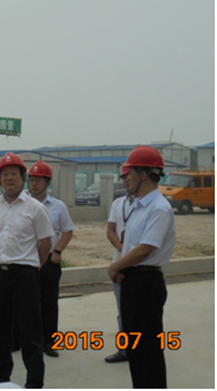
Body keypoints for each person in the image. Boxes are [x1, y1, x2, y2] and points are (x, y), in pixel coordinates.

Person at [0, 153, 54, 388]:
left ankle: (34, 382)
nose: (9, 178)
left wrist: (32, 266)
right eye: (5, 174)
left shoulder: (36, 208)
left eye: (14, 174)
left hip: (25, 276)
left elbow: (46, 243)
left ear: (23, 179)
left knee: (30, 332)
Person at [108, 146, 175, 388]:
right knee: (136, 351)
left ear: (144, 174)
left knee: (148, 351)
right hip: (134, 281)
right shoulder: (139, 206)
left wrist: (115, 266)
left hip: (146, 284)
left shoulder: (158, 207)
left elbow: (146, 247)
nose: (126, 178)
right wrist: (123, 269)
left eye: (130, 173)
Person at [11, 161, 74, 358]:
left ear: (47, 183)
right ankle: (19, 339)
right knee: (22, 302)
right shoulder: (20, 204)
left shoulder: (58, 206)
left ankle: (48, 341)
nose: (34, 184)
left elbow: (68, 231)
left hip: (48, 262)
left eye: (39, 180)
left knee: (48, 303)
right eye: (32, 180)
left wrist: (58, 251)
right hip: (25, 260)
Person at [103, 164, 134, 364]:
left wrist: (129, 254)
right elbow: (110, 230)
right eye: (123, 177)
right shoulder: (118, 204)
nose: (126, 180)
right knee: (123, 311)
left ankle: (144, 347)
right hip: (119, 264)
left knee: (142, 311)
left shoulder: (148, 205)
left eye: (129, 175)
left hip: (139, 265)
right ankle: (125, 349)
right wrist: (123, 250)